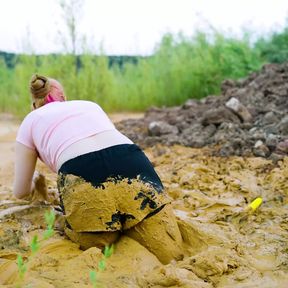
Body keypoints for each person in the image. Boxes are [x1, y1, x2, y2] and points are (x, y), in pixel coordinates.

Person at [13, 74, 183, 264]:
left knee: (99, 243)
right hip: (132, 160)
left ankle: (84, 228)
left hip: (82, 172)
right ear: (63, 97)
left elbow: (20, 191)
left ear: (34, 104)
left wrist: (36, 181)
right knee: (169, 250)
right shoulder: (89, 105)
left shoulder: (30, 120)